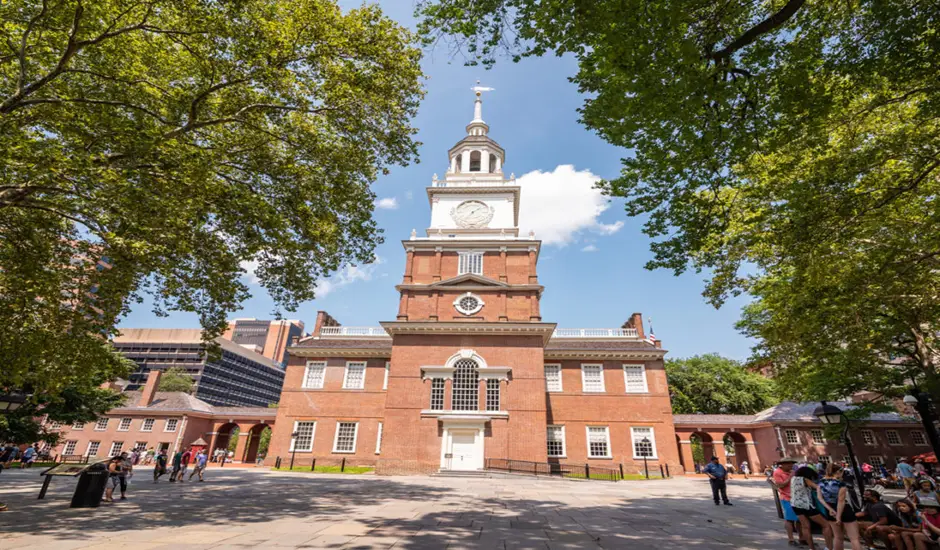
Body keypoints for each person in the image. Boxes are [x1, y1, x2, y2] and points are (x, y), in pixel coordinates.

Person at [818, 463, 863, 550]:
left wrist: (830, 509)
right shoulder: (840, 483)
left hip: (830, 510)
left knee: (838, 537)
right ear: (838, 472)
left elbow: (820, 498)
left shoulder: (821, 482)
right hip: (844, 510)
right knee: (854, 538)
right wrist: (838, 516)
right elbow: (841, 501)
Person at [791, 465, 833, 550]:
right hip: (807, 505)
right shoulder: (805, 479)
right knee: (826, 525)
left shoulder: (793, 479)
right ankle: (829, 547)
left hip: (795, 505)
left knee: (805, 526)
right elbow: (818, 487)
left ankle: (811, 548)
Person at [771, 457, 803, 547]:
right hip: (787, 498)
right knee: (789, 519)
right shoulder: (777, 472)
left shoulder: (792, 471)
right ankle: (791, 539)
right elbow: (780, 485)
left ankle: (802, 538)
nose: (791, 465)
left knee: (799, 519)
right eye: (788, 463)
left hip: (796, 497)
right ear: (782, 464)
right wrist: (790, 477)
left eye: (792, 463)